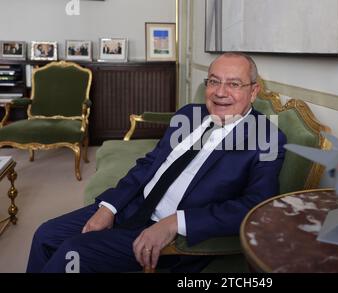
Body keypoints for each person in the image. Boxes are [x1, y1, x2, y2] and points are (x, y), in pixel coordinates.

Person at [26, 52, 287, 273]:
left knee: (73, 254)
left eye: (233, 84)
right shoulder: (189, 115)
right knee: (45, 235)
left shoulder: (265, 136)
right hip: (132, 205)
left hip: (171, 234)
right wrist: (110, 206)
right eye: (214, 81)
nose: (220, 92)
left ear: (253, 92)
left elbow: (256, 206)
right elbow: (149, 164)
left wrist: (175, 222)